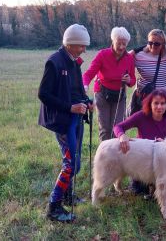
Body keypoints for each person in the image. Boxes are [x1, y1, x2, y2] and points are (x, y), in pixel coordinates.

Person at [38, 24, 93, 222]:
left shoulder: (73, 62)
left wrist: (87, 102)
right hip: (62, 122)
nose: (84, 50)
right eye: (81, 46)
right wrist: (70, 108)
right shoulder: (54, 62)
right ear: (70, 44)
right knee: (70, 164)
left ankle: (68, 195)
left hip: (75, 119)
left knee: (75, 162)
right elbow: (43, 94)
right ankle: (53, 207)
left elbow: (77, 90)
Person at [114, 89, 166, 195]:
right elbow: (118, 126)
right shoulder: (141, 116)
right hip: (141, 161)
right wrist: (122, 135)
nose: (159, 107)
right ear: (150, 104)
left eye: (163, 103)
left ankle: (155, 184)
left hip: (161, 162)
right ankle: (141, 183)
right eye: (156, 103)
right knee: (138, 191)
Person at [82, 26, 136, 141]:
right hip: (102, 93)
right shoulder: (103, 54)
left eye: (124, 44)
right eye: (119, 43)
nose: (121, 47)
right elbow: (88, 74)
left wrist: (129, 80)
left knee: (118, 127)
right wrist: (85, 85)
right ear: (113, 41)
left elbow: (133, 81)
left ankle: (116, 154)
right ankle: (105, 154)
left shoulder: (129, 58)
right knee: (105, 128)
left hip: (120, 95)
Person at [128, 29, 166, 115]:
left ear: (163, 44)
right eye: (150, 43)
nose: (153, 46)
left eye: (157, 44)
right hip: (145, 99)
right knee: (145, 126)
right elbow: (124, 59)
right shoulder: (139, 56)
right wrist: (134, 50)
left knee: (162, 126)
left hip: (163, 100)